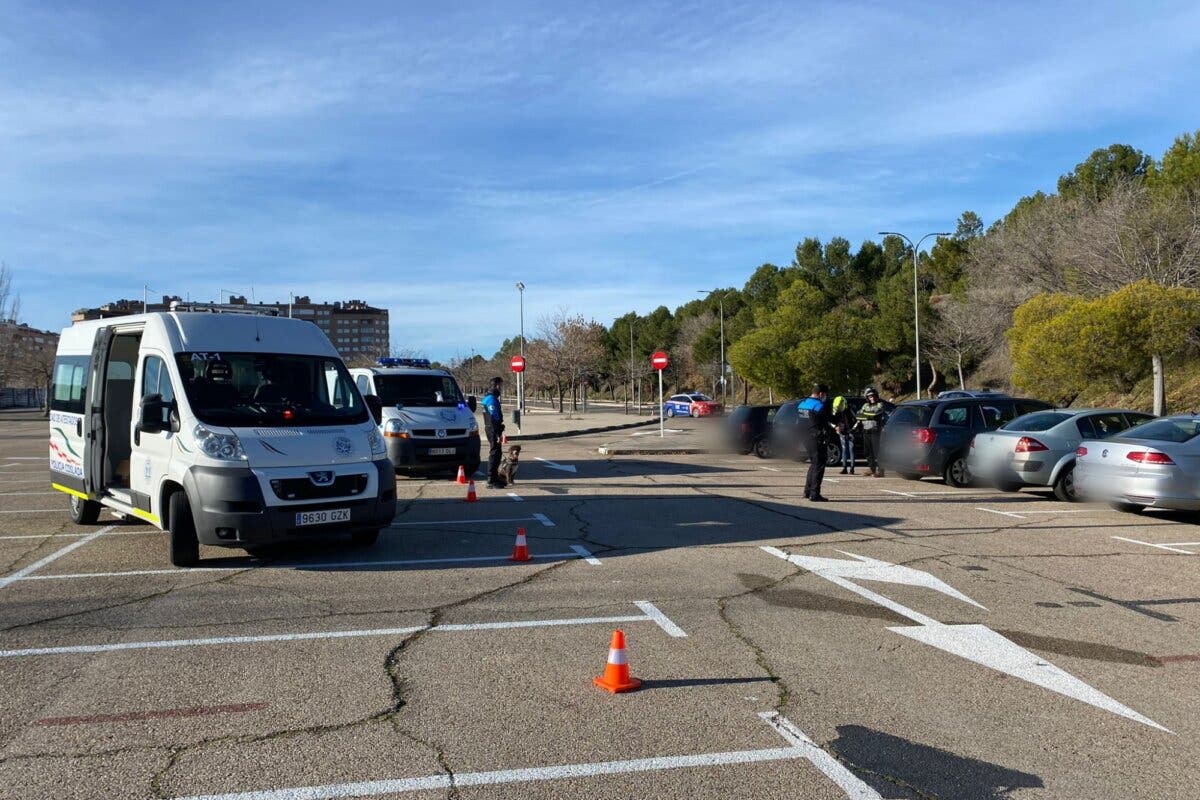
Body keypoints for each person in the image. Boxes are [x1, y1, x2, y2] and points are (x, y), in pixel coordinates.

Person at [797, 383, 833, 501]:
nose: (825, 397)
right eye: (825, 394)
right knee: (819, 465)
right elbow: (825, 422)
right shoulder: (818, 406)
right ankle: (815, 494)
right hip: (816, 437)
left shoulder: (802, 404)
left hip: (805, 437)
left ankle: (807, 491)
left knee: (813, 464)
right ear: (821, 394)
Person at [858, 387, 889, 478]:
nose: (872, 398)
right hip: (866, 430)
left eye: (873, 396)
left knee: (877, 451)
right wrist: (868, 415)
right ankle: (872, 468)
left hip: (875, 430)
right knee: (867, 451)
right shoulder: (865, 405)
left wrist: (866, 414)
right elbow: (859, 415)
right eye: (870, 396)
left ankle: (881, 470)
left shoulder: (880, 404)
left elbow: (875, 414)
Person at [480, 376, 505, 488]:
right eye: (501, 385)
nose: (502, 388)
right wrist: (497, 432)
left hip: (492, 428)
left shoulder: (489, 397)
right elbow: (494, 418)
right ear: (497, 385)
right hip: (492, 429)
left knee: (497, 453)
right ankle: (491, 480)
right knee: (495, 454)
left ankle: (495, 477)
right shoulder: (491, 399)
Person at [831, 395, 857, 475]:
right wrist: (836, 427)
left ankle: (852, 468)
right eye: (838, 406)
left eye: (840, 406)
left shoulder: (850, 410)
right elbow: (832, 421)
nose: (839, 407)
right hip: (842, 432)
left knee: (851, 450)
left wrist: (853, 430)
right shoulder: (836, 411)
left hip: (850, 432)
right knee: (844, 450)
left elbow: (857, 420)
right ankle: (844, 468)